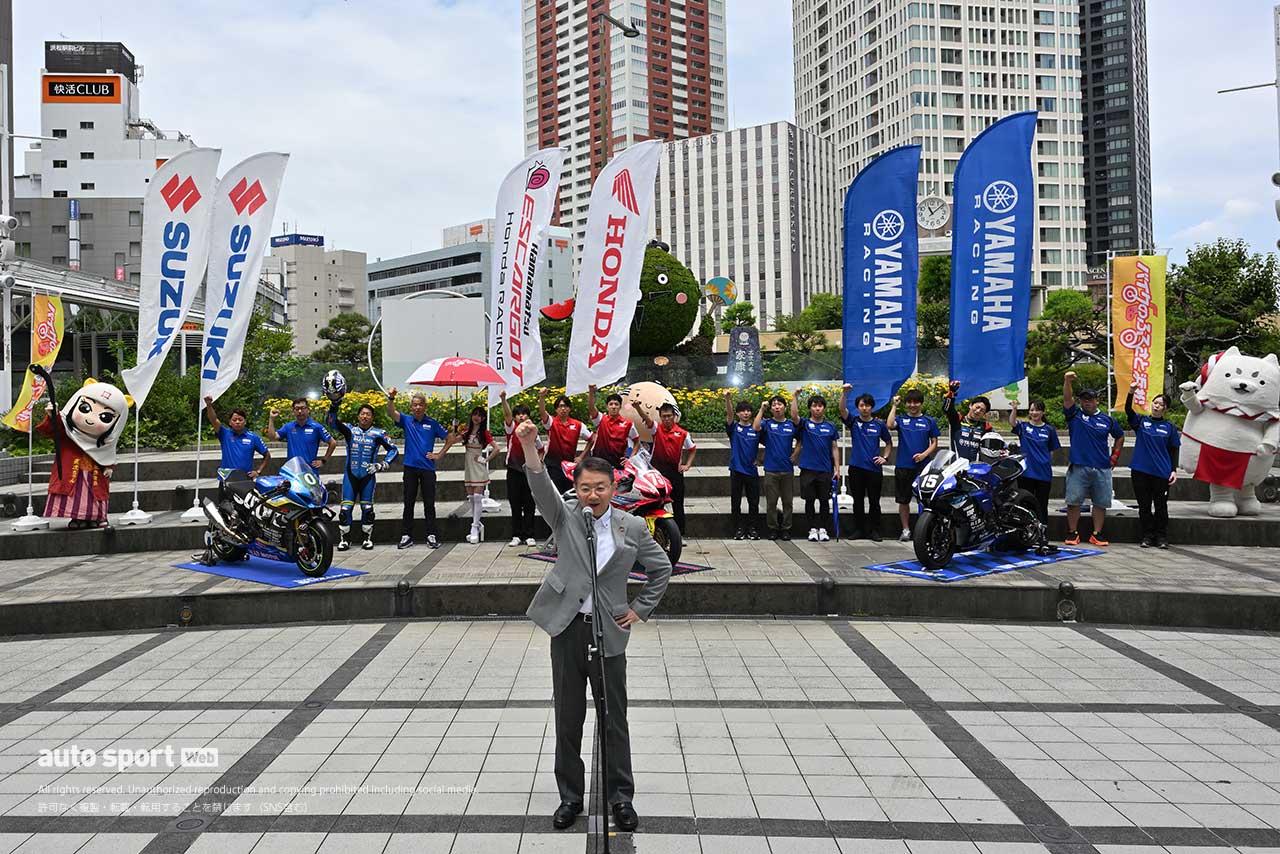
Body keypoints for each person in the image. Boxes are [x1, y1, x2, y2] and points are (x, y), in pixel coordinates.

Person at [514, 418, 671, 833]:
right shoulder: (566, 518)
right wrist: (530, 445)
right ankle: (570, 798)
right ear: (577, 489)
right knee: (568, 719)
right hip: (568, 629)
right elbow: (539, 486)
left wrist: (640, 609)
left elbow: (661, 569)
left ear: (615, 487)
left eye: (601, 487)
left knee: (613, 719)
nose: (593, 494)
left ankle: (621, 798)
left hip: (610, 633)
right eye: (585, 487)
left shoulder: (633, 526)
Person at [30, 365, 130, 531]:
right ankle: (77, 517)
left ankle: (97, 517)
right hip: (73, 470)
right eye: (85, 408)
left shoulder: (103, 443)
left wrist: (109, 466)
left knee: (95, 495)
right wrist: (52, 416)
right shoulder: (67, 431)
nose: (90, 419)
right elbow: (51, 430)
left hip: (94, 472)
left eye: (105, 417)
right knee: (75, 496)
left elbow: (108, 452)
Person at [1062, 371, 1125, 546]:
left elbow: (1119, 436)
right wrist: (1067, 382)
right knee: (1073, 501)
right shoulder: (1075, 416)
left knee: (1101, 502)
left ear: (1097, 400)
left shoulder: (1107, 420)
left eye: (1090, 399)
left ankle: (1097, 533)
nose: (1086, 402)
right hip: (1079, 466)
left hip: (1102, 467)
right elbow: (1067, 400)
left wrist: (1115, 456)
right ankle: (1072, 532)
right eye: (1083, 399)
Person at [325, 402, 398, 551]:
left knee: (367, 509)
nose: (365, 416)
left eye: (368, 414)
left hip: (368, 477)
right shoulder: (350, 430)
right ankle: (345, 540)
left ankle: (367, 539)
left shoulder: (379, 433)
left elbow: (393, 450)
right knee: (345, 509)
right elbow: (331, 422)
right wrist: (334, 405)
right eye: (362, 414)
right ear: (358, 416)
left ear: (372, 418)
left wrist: (382, 464)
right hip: (350, 476)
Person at [387, 388, 450, 550]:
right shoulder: (407, 421)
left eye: (420, 405)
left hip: (428, 469)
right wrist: (391, 398)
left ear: (425, 406)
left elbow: (449, 438)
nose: (417, 408)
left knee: (429, 503)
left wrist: (439, 455)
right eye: (414, 405)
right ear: (411, 407)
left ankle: (431, 535)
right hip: (410, 468)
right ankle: (406, 535)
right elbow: (392, 413)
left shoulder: (432, 423)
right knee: (409, 503)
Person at [1125, 381, 1180, 549]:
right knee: (1144, 505)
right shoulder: (1141, 422)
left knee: (1161, 506)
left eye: (1161, 405)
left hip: (1161, 473)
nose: (1157, 406)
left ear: (1165, 409)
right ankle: (1147, 535)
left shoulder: (1169, 427)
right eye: (1155, 403)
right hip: (1140, 470)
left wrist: (1173, 470)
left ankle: (1161, 536)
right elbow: (1128, 411)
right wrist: (1131, 392)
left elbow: (1173, 450)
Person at [839, 387, 893, 542]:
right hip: (856, 468)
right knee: (858, 500)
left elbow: (888, 443)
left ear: (872, 407)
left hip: (874, 468)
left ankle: (875, 530)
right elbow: (842, 410)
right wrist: (844, 393)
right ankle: (859, 530)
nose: (864, 408)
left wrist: (885, 457)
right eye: (861, 405)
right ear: (857, 407)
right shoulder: (854, 422)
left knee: (874, 501)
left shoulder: (879, 424)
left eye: (867, 405)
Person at [886, 390, 939, 541]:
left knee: (925, 500)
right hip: (903, 466)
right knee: (903, 500)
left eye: (916, 402)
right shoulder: (901, 419)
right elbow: (889, 425)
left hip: (923, 468)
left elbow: (934, 443)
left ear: (921, 403)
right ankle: (906, 530)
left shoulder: (929, 421)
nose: (912, 405)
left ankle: (924, 530)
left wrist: (924, 455)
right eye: (909, 402)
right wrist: (894, 406)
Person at [636, 401, 696, 535]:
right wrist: (637, 407)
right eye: (664, 416)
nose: (667, 419)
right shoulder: (656, 429)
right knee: (656, 504)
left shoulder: (682, 433)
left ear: (674, 416)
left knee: (678, 505)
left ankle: (680, 534)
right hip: (658, 474)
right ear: (660, 417)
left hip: (675, 473)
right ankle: (657, 533)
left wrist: (688, 465)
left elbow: (692, 449)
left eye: (669, 416)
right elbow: (646, 419)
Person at [794, 393, 840, 542]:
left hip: (825, 469)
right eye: (814, 406)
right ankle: (812, 529)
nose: (817, 408)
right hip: (808, 469)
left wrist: (837, 469)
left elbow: (834, 448)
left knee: (824, 500)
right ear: (809, 408)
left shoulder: (830, 426)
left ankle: (823, 529)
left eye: (820, 406)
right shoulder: (805, 424)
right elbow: (794, 415)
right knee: (809, 500)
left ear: (824, 408)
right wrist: (794, 396)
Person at [754, 393, 799, 540]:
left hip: (787, 469)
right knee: (771, 503)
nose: (777, 407)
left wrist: (795, 454)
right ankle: (773, 528)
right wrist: (762, 409)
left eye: (780, 404)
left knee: (788, 502)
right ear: (771, 409)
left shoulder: (791, 425)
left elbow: (801, 440)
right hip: (771, 470)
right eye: (774, 405)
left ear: (785, 407)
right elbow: (755, 428)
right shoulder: (767, 424)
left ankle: (786, 529)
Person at [503, 391, 545, 547]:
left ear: (528, 416)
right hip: (514, 470)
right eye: (518, 414)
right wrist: (503, 399)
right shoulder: (511, 429)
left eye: (524, 414)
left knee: (529, 504)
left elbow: (541, 449)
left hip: (529, 471)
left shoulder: (534, 432)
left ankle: (529, 535)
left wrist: (538, 462)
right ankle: (516, 535)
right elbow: (506, 414)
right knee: (515, 503)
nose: (521, 416)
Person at [1008, 399, 1061, 524]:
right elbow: (1012, 422)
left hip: (1043, 473)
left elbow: (1052, 450)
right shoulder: (1024, 427)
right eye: (1032, 410)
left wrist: (1044, 461)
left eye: (1037, 410)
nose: (1034, 413)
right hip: (1026, 473)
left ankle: (1042, 533)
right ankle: (1026, 533)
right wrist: (1014, 409)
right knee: (1026, 504)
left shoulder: (1049, 430)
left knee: (1042, 504)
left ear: (1043, 412)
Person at [456, 405, 497, 544]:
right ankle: (477, 524)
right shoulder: (466, 432)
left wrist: (486, 460)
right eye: (475, 414)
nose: (476, 417)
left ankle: (474, 527)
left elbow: (496, 449)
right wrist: (454, 428)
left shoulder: (484, 433)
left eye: (479, 415)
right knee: (472, 497)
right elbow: (452, 439)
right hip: (468, 467)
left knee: (478, 496)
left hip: (478, 466)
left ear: (483, 418)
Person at [724, 390, 761, 540]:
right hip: (736, 470)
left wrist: (761, 460)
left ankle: (752, 529)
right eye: (742, 411)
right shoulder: (734, 429)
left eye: (748, 411)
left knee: (754, 502)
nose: (745, 413)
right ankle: (738, 529)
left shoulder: (756, 429)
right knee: (736, 502)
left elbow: (771, 443)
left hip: (752, 472)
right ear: (739, 413)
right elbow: (729, 415)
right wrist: (728, 399)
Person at [205, 395, 271, 480]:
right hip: (226, 479)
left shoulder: (253, 437)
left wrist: (258, 471)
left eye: (240, 419)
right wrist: (209, 405)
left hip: (245, 479)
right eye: (234, 420)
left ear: (245, 422)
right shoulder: (224, 434)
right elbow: (213, 419)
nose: (237, 422)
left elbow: (267, 455)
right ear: (230, 422)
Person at [539, 388, 592, 493]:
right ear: (556, 409)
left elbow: (591, 440)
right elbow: (542, 412)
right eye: (560, 406)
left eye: (565, 406)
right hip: (552, 464)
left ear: (569, 408)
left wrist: (581, 457)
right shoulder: (551, 422)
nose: (563, 409)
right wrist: (542, 397)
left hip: (569, 465)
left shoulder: (578, 425)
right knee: (555, 494)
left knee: (568, 493)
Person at [266, 397, 336, 470]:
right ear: (293, 411)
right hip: (293, 470)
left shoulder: (317, 427)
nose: (300, 411)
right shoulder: (288, 427)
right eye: (297, 409)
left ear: (308, 410)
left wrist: (323, 460)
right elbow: (272, 438)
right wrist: (271, 419)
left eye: (302, 408)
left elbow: (332, 443)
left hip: (310, 471)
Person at [587, 384, 639, 469]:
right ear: (607, 407)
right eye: (611, 404)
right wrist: (591, 392)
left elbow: (637, 441)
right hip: (599, 463)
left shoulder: (628, 424)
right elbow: (591, 408)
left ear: (620, 407)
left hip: (618, 465)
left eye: (616, 404)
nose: (613, 407)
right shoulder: (600, 419)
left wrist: (630, 459)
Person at [943, 381, 994, 462]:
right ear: (970, 405)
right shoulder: (957, 419)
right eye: (977, 407)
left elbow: (995, 443)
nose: (978, 411)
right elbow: (947, 409)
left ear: (984, 414)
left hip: (975, 468)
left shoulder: (986, 427)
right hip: (955, 467)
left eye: (982, 410)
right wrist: (952, 393)